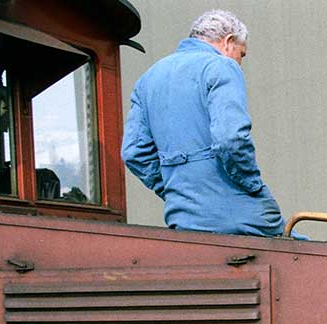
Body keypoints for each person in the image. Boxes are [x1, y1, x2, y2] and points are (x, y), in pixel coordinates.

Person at [121, 9, 283, 237]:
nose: (240, 62)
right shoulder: (221, 66)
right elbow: (231, 139)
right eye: (242, 54)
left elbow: (134, 153)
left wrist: (173, 189)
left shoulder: (148, 79)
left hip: (182, 218)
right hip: (241, 214)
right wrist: (252, 185)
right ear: (228, 41)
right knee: (301, 250)